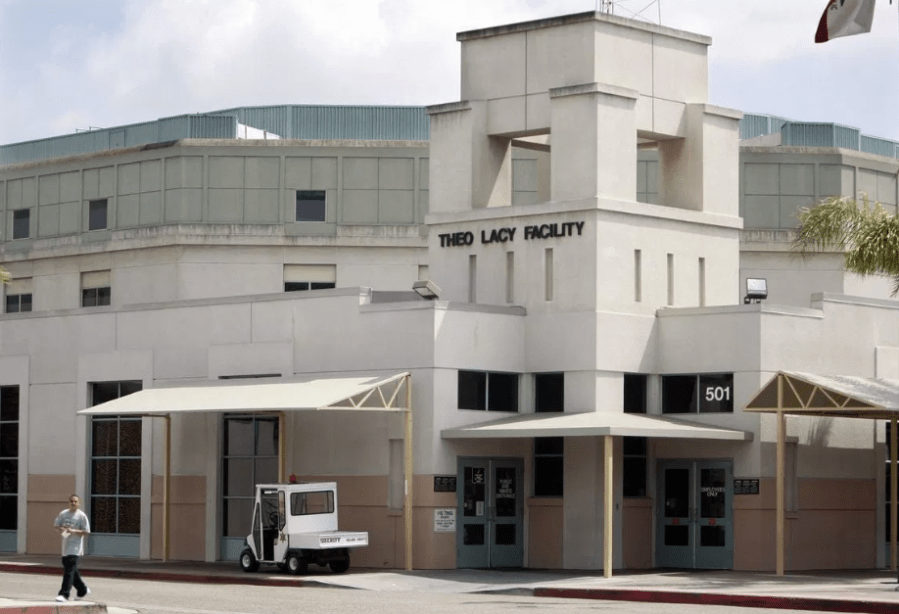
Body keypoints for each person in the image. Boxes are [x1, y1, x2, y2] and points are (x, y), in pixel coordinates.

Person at [53, 494, 91, 602]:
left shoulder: (81, 516)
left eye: (75, 501)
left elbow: (86, 531)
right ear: (68, 502)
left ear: (79, 503)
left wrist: (74, 531)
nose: (73, 503)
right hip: (65, 546)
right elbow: (56, 526)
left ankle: (64, 594)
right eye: (71, 501)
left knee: (69, 570)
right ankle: (82, 589)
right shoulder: (63, 514)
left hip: (75, 547)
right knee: (70, 570)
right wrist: (62, 529)